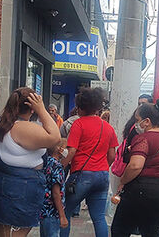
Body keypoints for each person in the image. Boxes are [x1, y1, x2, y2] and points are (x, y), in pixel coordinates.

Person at [0, 88, 61, 237]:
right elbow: (55, 137)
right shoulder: (23, 128)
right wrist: (42, 110)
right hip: (20, 190)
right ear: (32, 108)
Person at [111, 99, 159, 237]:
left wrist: (123, 181)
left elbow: (135, 166)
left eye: (138, 119)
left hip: (140, 190)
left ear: (146, 121)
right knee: (152, 232)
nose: (136, 124)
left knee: (120, 229)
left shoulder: (143, 139)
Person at [60, 87, 118, 237]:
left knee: (65, 211)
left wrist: (60, 167)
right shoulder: (109, 127)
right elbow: (112, 155)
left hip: (82, 175)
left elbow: (71, 151)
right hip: (102, 176)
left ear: (81, 107)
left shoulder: (78, 124)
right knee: (99, 217)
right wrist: (102, 166)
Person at [40, 139, 69, 237]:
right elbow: (56, 193)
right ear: (59, 149)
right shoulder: (57, 166)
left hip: (44, 209)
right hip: (53, 211)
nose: (67, 150)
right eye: (66, 148)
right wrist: (62, 215)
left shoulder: (46, 162)